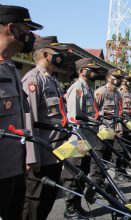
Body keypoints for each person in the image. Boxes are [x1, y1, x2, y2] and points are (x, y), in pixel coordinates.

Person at [0, 5, 42, 220]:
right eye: (26, 30)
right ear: (11, 29)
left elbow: (22, 119)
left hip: (14, 168)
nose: (30, 37)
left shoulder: (10, 69)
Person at [22, 36, 68, 220]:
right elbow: (28, 120)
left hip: (55, 154)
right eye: (58, 54)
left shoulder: (54, 82)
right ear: (46, 54)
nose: (61, 58)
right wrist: (32, 157)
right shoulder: (33, 80)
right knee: (34, 205)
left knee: (47, 203)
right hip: (40, 157)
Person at [62, 57, 102, 219]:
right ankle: (70, 208)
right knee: (73, 175)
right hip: (77, 139)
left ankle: (77, 205)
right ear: (82, 71)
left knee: (82, 173)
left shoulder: (87, 87)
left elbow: (86, 113)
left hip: (86, 139)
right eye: (90, 69)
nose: (93, 72)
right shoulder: (77, 87)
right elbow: (73, 117)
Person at [92, 69, 123, 184]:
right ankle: (96, 185)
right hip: (102, 131)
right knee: (98, 158)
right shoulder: (101, 92)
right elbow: (94, 112)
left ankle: (103, 183)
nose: (118, 80)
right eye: (116, 77)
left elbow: (118, 113)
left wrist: (118, 129)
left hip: (112, 131)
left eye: (120, 78)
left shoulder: (117, 94)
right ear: (109, 78)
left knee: (106, 158)